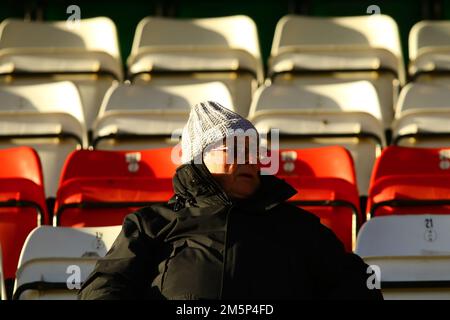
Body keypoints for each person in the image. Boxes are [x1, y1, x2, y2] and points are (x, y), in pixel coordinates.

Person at [79, 101, 383, 300]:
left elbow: (358, 288)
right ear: (199, 157)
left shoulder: (297, 227)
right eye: (234, 148)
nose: (249, 158)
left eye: (254, 149)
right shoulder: (152, 224)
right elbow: (101, 289)